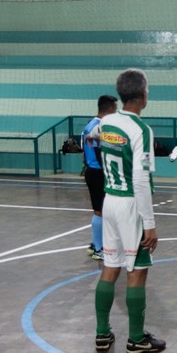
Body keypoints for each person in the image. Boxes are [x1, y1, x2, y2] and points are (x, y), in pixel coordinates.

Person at [94, 68, 165, 353]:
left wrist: (93, 140)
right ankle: (136, 338)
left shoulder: (108, 120)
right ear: (143, 95)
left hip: (109, 200)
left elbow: (96, 134)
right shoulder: (141, 130)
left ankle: (102, 333)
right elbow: (139, 180)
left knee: (110, 267)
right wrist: (149, 223)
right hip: (130, 205)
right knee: (136, 271)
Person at [82, 94, 118, 261]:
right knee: (100, 211)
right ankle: (98, 248)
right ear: (110, 109)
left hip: (94, 171)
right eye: (115, 109)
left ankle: (95, 243)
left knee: (102, 210)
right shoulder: (97, 127)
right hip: (97, 172)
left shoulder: (91, 124)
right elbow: (98, 152)